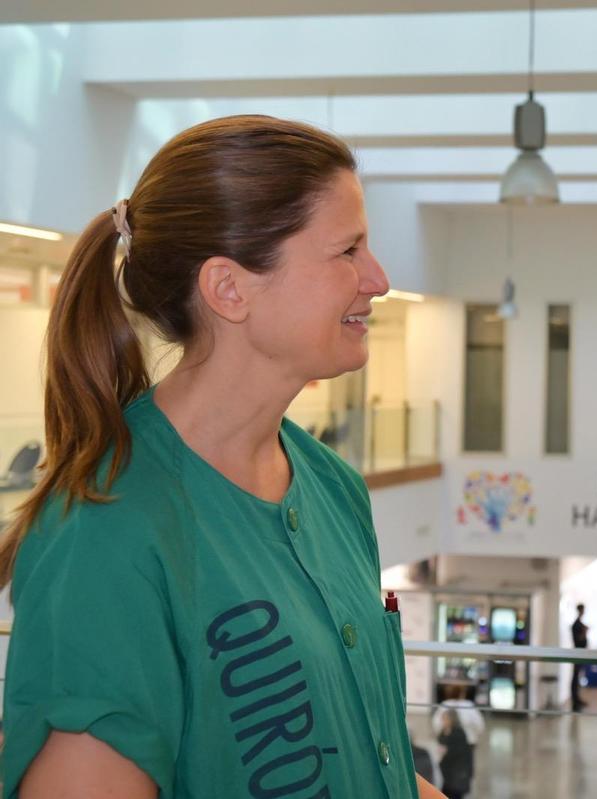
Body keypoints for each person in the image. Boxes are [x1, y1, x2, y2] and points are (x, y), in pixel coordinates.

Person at [0, 116, 443, 798]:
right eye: (348, 250)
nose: (378, 279)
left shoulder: (332, 487)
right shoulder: (105, 530)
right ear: (229, 288)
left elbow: (363, 761)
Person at [435, 709, 473, 799]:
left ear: (452, 720)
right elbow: (440, 742)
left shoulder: (459, 733)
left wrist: (447, 751)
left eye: (445, 719)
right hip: (447, 772)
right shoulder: (444, 731)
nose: (443, 721)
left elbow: (459, 751)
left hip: (457, 773)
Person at [570, 603, 589, 712]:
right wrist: (585, 632)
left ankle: (577, 699)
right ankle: (575, 701)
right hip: (577, 654)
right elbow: (579, 639)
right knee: (575, 677)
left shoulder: (579, 623)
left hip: (580, 654)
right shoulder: (576, 624)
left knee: (577, 678)